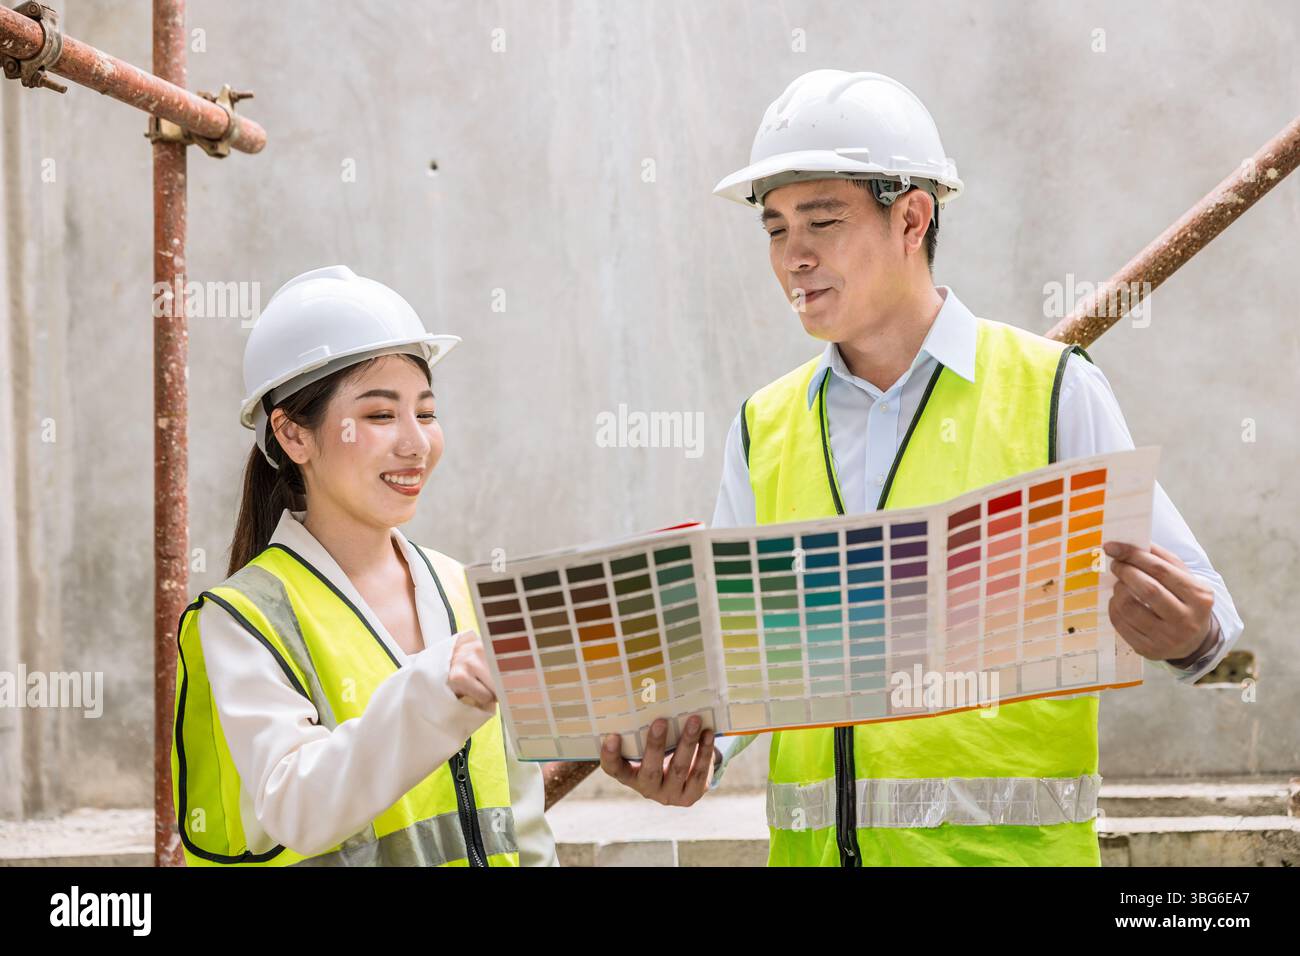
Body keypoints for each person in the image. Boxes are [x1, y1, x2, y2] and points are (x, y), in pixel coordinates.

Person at [599, 70, 1243, 867]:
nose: (793, 257)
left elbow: (1222, 645)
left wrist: (1191, 637)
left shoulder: (1050, 391)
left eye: (822, 222)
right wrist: (697, 751)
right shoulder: (764, 426)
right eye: (773, 229)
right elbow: (743, 666)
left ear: (911, 217)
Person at [171, 265, 557, 866]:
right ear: (293, 435)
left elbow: (521, 820)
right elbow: (297, 807)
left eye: (426, 413)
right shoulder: (244, 620)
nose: (416, 443)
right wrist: (438, 690)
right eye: (380, 416)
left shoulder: (462, 588)